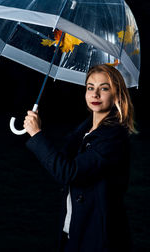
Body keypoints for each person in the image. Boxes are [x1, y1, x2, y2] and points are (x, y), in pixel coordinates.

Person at [23, 64, 135, 252]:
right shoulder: (85, 130)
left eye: (104, 88)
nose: (95, 94)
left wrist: (36, 134)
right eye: (90, 87)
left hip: (99, 239)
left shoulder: (113, 136)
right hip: (73, 232)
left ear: (117, 94)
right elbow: (61, 161)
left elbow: (68, 172)